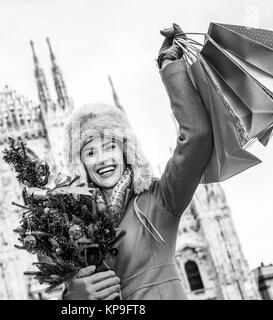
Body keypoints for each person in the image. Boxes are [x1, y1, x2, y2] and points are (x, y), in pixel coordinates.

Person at [61, 23, 213, 300]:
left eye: (109, 147)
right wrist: (71, 298)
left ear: (125, 151)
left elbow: (198, 138)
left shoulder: (158, 200)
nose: (103, 159)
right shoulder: (77, 228)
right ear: (79, 165)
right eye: (90, 152)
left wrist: (171, 67)